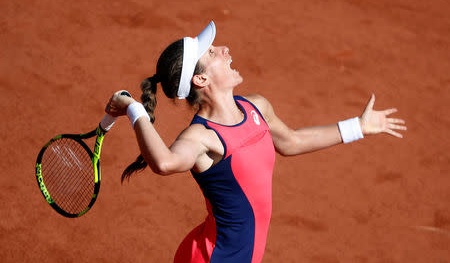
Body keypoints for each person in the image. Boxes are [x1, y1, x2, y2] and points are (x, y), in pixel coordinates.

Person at [105, 21, 406, 263]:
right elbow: (165, 162)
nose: (225, 50)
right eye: (212, 53)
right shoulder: (202, 137)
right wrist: (135, 110)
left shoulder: (256, 107)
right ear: (201, 80)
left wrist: (359, 127)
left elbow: (292, 141)